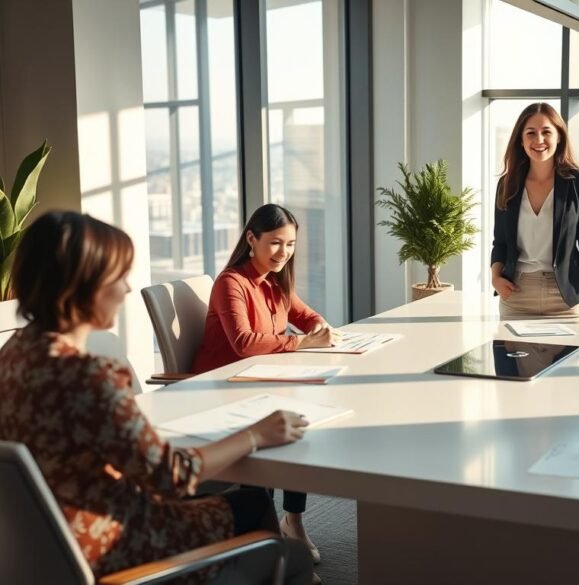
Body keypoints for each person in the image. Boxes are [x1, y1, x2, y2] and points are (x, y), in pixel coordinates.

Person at [0, 211, 314, 584]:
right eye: (118, 277)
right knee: (281, 541)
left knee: (244, 503)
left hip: (49, 546)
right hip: (117, 546)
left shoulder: (13, 354)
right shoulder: (90, 376)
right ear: (82, 286)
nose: (126, 290)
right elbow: (172, 476)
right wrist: (255, 436)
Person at [192, 203, 338, 564]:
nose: (283, 253)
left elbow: (307, 317)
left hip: (259, 383)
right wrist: (302, 342)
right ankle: (268, 534)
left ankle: (293, 522)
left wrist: (319, 328)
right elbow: (244, 342)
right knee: (281, 425)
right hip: (221, 389)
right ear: (251, 239)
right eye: (274, 243)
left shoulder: (275, 284)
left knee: (298, 424)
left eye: (289, 245)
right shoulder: (232, 282)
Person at [490, 102, 579, 325]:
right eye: (530, 133)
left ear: (559, 137)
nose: (539, 140)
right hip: (517, 296)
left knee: (570, 361)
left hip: (566, 299)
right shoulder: (508, 184)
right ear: (521, 140)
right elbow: (500, 242)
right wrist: (495, 279)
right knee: (510, 360)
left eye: (546, 132)